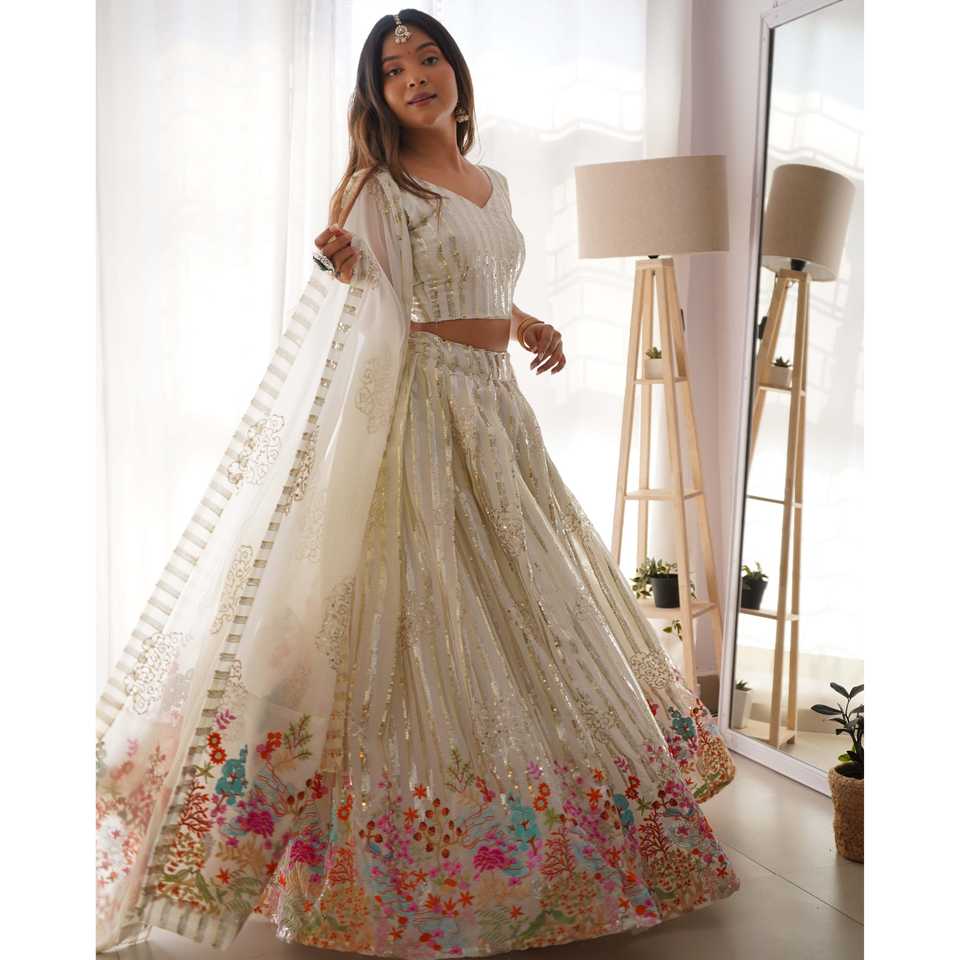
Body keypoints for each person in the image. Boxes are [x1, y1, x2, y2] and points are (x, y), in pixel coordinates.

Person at [96, 10, 740, 957]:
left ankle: (560, 849)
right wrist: (344, 267)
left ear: (456, 71)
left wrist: (523, 324)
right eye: (394, 70)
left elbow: (475, 282)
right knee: (419, 617)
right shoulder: (378, 187)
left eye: (428, 58)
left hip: (496, 410)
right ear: (379, 95)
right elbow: (381, 303)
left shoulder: (492, 183)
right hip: (423, 416)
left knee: (529, 615)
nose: (416, 78)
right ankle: (394, 867)